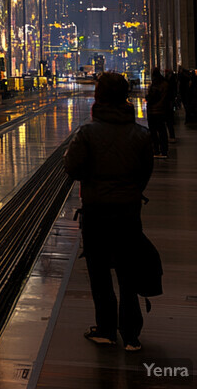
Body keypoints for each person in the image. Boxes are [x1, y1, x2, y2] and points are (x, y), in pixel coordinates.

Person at [64, 72, 154, 352]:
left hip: (96, 212)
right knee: (129, 271)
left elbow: (72, 168)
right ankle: (131, 335)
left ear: (98, 97)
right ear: (126, 96)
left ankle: (105, 329)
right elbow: (145, 172)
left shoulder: (87, 133)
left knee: (99, 271)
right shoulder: (141, 134)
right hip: (129, 211)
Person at [146, 68, 169, 158]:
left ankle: (156, 150)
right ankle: (164, 150)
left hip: (152, 110)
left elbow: (151, 97)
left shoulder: (154, 85)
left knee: (153, 132)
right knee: (162, 131)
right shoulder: (164, 84)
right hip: (160, 110)